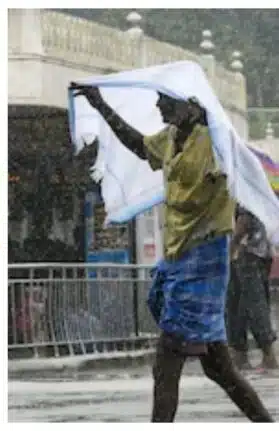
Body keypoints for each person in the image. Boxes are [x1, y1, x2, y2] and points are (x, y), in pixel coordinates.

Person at [71, 83, 274, 422]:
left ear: (192, 106)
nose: (159, 107)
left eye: (165, 100)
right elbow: (139, 145)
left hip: (205, 259)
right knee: (219, 369)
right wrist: (101, 105)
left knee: (166, 360)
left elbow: (244, 174)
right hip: (178, 256)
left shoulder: (216, 143)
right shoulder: (170, 138)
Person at [228, 204, 278, 369]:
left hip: (248, 252)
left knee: (253, 304)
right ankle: (240, 356)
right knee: (237, 305)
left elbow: (244, 218)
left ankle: (268, 356)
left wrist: (232, 246)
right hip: (259, 251)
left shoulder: (243, 186)